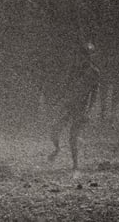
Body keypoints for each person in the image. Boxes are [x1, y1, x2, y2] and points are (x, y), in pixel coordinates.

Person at [48, 41, 98, 172]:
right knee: (54, 130)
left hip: (82, 108)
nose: (85, 58)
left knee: (73, 136)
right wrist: (57, 100)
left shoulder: (94, 72)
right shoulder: (74, 70)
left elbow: (94, 94)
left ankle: (76, 165)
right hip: (69, 105)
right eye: (83, 55)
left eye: (88, 55)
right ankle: (57, 149)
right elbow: (66, 87)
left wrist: (89, 110)